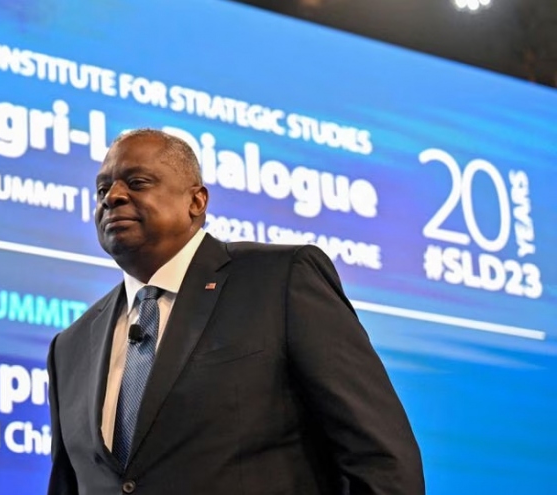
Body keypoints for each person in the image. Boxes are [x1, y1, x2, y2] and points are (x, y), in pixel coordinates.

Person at [46, 129, 424, 494]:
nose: (112, 197)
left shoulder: (280, 281)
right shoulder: (70, 348)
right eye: (102, 190)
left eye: (137, 182)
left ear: (196, 202)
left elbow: (381, 461)